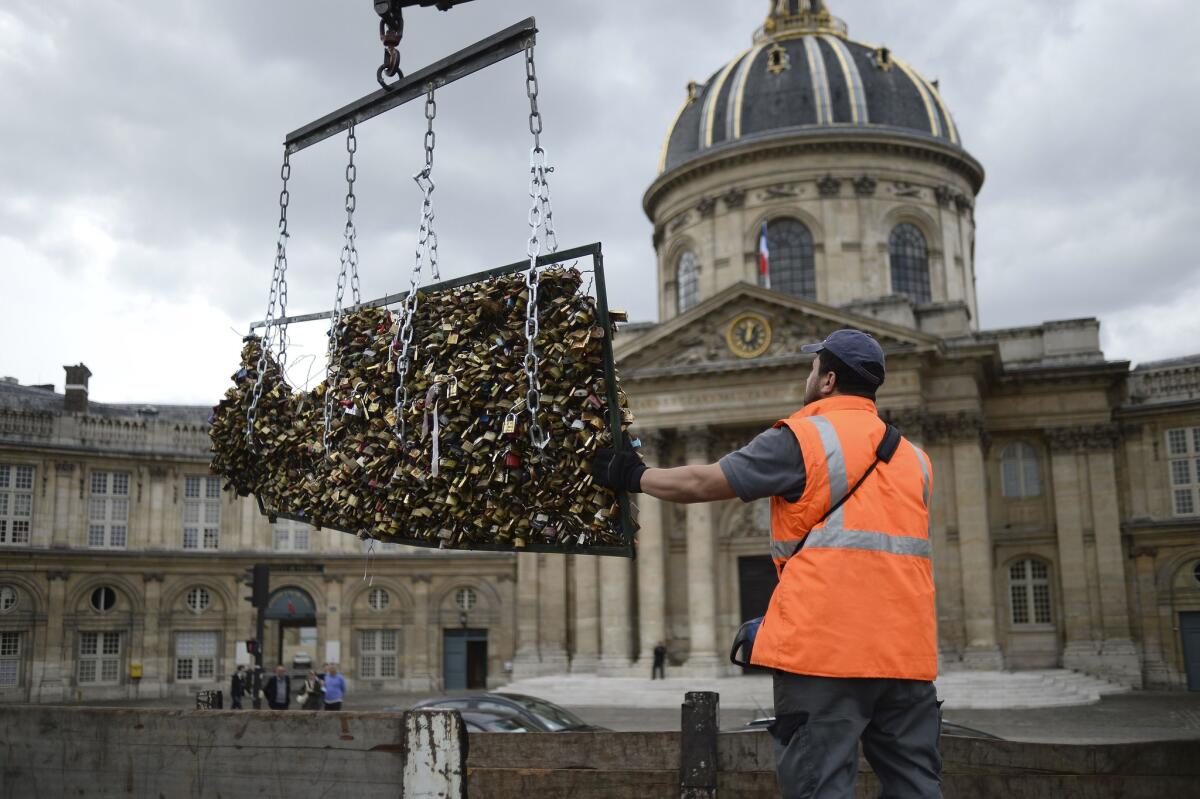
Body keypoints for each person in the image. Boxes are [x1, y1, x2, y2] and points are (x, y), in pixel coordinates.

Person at [593, 329, 939, 799]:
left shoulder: (805, 437)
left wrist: (633, 474)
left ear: (828, 380)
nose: (809, 374)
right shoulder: (913, 458)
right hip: (907, 656)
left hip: (827, 654)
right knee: (916, 789)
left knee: (820, 787)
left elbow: (701, 482)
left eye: (813, 367)